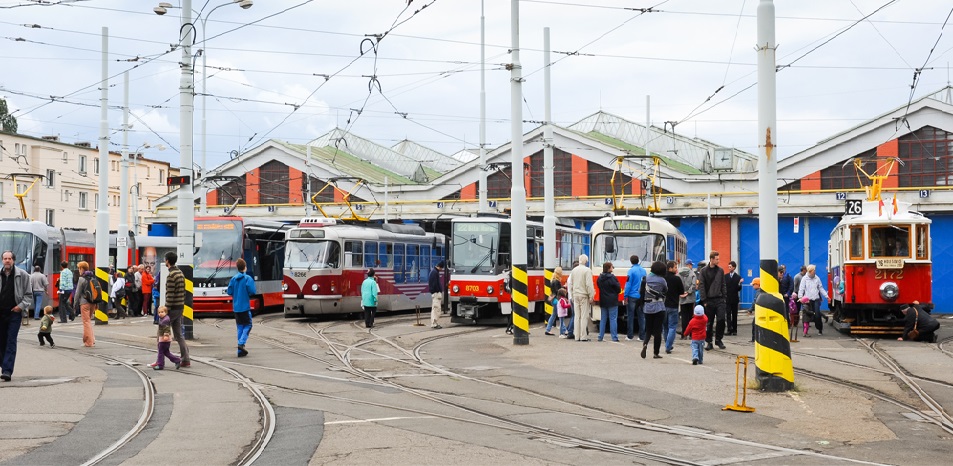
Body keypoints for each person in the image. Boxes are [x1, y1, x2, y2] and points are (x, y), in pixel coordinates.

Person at [0, 251, 32, 381]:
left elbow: (28, 295)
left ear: (13, 260)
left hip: (14, 313)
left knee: (11, 341)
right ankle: (4, 364)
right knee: (1, 341)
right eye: (5, 258)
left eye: (9, 258)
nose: (7, 261)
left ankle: (7, 370)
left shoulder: (22, 275)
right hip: (0, 314)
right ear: (2, 260)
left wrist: (20, 306)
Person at [164, 251, 191, 367]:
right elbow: (184, 293)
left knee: (162, 333)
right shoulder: (180, 273)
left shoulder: (171, 275)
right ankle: (185, 359)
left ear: (167, 261)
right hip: (180, 307)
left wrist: (166, 310)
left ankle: (161, 359)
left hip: (172, 308)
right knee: (179, 335)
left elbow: (170, 295)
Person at [698, 251, 728, 350]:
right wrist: (704, 300)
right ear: (711, 259)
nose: (718, 261)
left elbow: (723, 284)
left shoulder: (720, 270)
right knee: (709, 322)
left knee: (721, 319)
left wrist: (724, 297)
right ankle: (709, 341)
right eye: (717, 259)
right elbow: (701, 286)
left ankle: (718, 339)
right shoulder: (703, 271)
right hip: (709, 300)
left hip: (719, 299)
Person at [226, 258, 256, 357]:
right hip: (245, 307)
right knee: (248, 325)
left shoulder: (233, 279)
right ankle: (241, 343)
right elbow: (252, 291)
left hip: (236, 307)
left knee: (240, 326)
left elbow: (229, 291)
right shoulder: (247, 278)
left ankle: (240, 351)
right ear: (245, 267)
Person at [640, 261, 668, 359]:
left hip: (648, 307)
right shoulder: (662, 280)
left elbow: (641, 293)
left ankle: (645, 344)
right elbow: (665, 290)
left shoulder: (646, 279)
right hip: (659, 307)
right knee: (657, 331)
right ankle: (656, 353)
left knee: (648, 329)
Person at [569, 254, 595, 342]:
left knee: (577, 316)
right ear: (586, 262)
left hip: (575, 295)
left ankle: (576, 336)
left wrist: (572, 295)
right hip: (584, 295)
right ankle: (583, 336)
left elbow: (571, 284)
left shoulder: (574, 270)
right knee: (584, 316)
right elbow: (589, 285)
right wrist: (591, 295)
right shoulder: (587, 270)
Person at [798, 264, 829, 337]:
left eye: (814, 270)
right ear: (810, 271)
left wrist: (826, 296)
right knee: (806, 315)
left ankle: (819, 328)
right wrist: (800, 298)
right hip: (808, 300)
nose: (814, 272)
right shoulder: (804, 279)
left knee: (817, 315)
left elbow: (821, 288)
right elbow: (801, 288)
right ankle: (805, 331)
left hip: (816, 299)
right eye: (813, 271)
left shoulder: (817, 278)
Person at [663, 260, 686, 354]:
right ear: (670, 268)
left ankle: (668, 344)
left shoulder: (662, 278)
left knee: (665, 327)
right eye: (675, 267)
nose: (677, 269)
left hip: (663, 305)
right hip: (673, 306)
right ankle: (668, 346)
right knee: (672, 327)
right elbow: (681, 291)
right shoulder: (677, 279)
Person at [623, 255, 646, 341]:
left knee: (630, 316)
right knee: (641, 316)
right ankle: (642, 336)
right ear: (638, 260)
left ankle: (630, 336)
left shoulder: (631, 271)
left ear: (631, 261)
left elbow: (628, 284)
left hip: (632, 295)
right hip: (641, 296)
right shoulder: (643, 271)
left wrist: (625, 295)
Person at [596, 262, 621, 342]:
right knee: (613, 319)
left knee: (603, 319)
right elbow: (618, 288)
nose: (612, 268)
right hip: (612, 300)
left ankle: (600, 336)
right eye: (611, 267)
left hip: (603, 300)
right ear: (609, 268)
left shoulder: (600, 278)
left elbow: (599, 286)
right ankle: (614, 337)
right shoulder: (612, 278)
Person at [74, 261, 96, 347]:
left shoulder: (81, 279)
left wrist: (75, 303)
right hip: (93, 302)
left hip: (84, 303)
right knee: (88, 321)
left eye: (79, 268)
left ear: (82, 269)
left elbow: (77, 293)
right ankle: (91, 339)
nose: (79, 270)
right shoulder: (93, 277)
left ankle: (89, 342)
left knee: (86, 322)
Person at [678, 260, 697, 337]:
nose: (691, 266)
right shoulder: (692, 274)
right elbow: (694, 285)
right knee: (691, 317)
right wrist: (688, 292)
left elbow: (678, 284)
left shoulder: (679, 274)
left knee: (684, 317)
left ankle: (684, 333)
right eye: (691, 265)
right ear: (688, 265)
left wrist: (682, 292)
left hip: (682, 298)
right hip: (690, 298)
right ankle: (691, 334)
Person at [724, 260, 743, 336]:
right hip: (728, 298)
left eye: (730, 266)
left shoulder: (738, 277)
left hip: (734, 298)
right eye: (728, 266)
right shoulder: (726, 276)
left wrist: (739, 284)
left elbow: (739, 288)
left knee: (734, 314)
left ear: (734, 267)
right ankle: (729, 329)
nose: (729, 268)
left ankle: (734, 329)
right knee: (728, 314)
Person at [544, 266, 564, 336]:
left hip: (553, 300)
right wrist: (563, 288)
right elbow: (558, 291)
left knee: (554, 315)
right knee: (561, 315)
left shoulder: (552, 280)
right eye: (561, 272)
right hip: (556, 300)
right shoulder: (557, 281)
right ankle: (564, 330)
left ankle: (548, 329)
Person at [428, 261, 446, 329]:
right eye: (442, 268)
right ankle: (434, 323)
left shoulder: (434, 272)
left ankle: (434, 323)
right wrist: (437, 291)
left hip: (435, 293)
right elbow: (434, 284)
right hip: (436, 293)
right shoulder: (434, 272)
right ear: (440, 267)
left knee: (435, 308)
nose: (442, 270)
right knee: (436, 309)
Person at [748, 277, 762, 343]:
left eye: (753, 284)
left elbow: (755, 302)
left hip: (759, 311)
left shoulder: (758, 293)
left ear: (757, 284)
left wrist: (750, 309)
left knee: (754, 324)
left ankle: (755, 338)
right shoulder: (761, 292)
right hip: (760, 311)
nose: (753, 286)